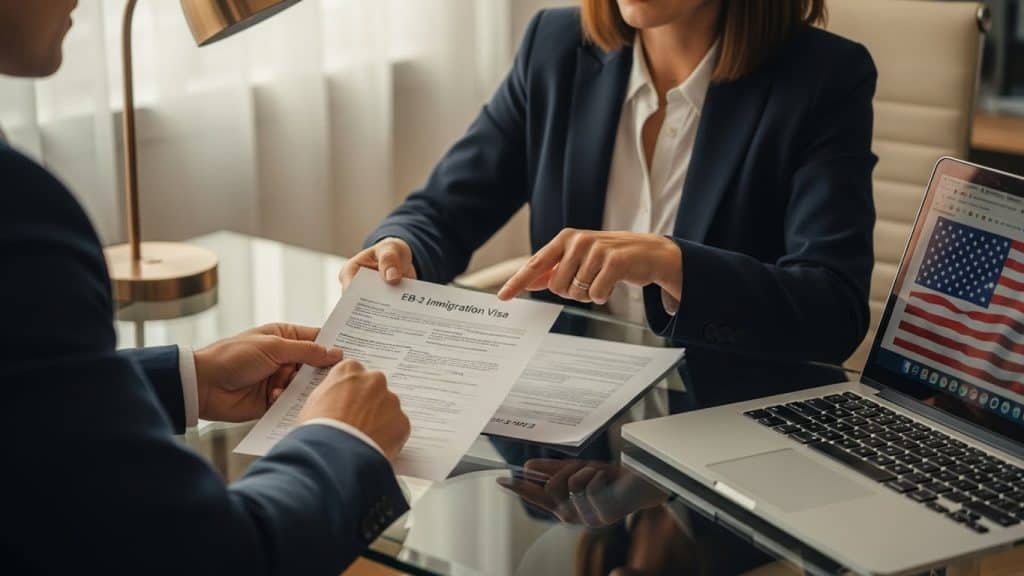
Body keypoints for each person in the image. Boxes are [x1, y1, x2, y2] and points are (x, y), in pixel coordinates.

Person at [2, 2, 411, 574]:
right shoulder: (19, 214)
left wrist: (187, 379)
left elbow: (21, 402)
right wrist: (342, 438)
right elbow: (210, 557)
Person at [342, 0, 877, 372]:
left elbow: (833, 310)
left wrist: (672, 263)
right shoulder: (555, 46)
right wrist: (402, 248)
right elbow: (446, 207)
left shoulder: (825, 78)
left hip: (719, 423)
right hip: (567, 424)